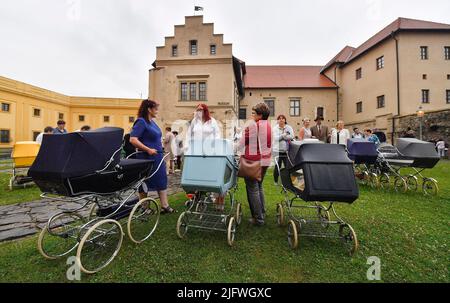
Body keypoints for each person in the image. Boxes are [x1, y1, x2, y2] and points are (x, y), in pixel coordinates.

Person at [129, 99, 176, 214]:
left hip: (157, 157)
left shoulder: (152, 123)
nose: (157, 111)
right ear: (149, 109)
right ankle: (145, 208)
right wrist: (148, 149)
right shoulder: (141, 122)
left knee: (161, 179)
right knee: (144, 181)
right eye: (155, 108)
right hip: (145, 157)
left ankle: (165, 206)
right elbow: (133, 139)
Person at [239, 103, 272, 226]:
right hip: (265, 160)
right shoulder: (268, 125)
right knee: (259, 187)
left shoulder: (255, 125)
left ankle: (258, 219)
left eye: (254, 113)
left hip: (254, 161)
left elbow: (243, 141)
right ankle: (261, 212)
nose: (252, 115)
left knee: (252, 189)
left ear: (260, 115)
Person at [186, 104, 223, 210]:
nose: (199, 111)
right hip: (196, 152)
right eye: (197, 109)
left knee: (210, 173)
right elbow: (189, 135)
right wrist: (188, 147)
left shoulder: (212, 121)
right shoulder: (194, 121)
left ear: (205, 110)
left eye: (201, 109)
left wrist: (213, 146)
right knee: (198, 174)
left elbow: (217, 135)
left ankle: (212, 195)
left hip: (209, 151)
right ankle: (198, 196)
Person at [272, 115, 294, 186]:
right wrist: (284, 135)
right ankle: (275, 181)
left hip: (286, 150)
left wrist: (282, 137)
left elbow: (292, 136)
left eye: (282, 118)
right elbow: (275, 138)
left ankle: (287, 182)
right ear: (277, 120)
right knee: (277, 166)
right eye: (279, 119)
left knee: (287, 167)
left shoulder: (289, 127)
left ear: (285, 120)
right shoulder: (275, 128)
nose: (281, 120)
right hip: (277, 150)